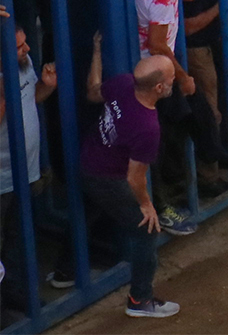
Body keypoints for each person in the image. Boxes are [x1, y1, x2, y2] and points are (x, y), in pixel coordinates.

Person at [81, 53, 181, 319]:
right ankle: (139, 299)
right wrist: (147, 206)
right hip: (106, 177)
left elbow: (93, 92)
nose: (175, 80)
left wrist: (97, 54)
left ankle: (66, 270)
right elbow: (134, 178)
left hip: (88, 159)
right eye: (172, 77)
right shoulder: (148, 127)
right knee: (146, 229)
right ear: (159, 87)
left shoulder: (125, 83)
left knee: (89, 215)